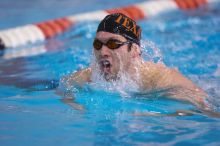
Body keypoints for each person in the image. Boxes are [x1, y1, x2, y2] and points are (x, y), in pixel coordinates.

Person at [59, 13, 212, 113]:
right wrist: (77, 107)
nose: (103, 52)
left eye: (113, 44)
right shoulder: (89, 76)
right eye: (98, 45)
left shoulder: (158, 80)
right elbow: (64, 87)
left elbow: (205, 107)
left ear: (135, 50)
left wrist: (158, 116)